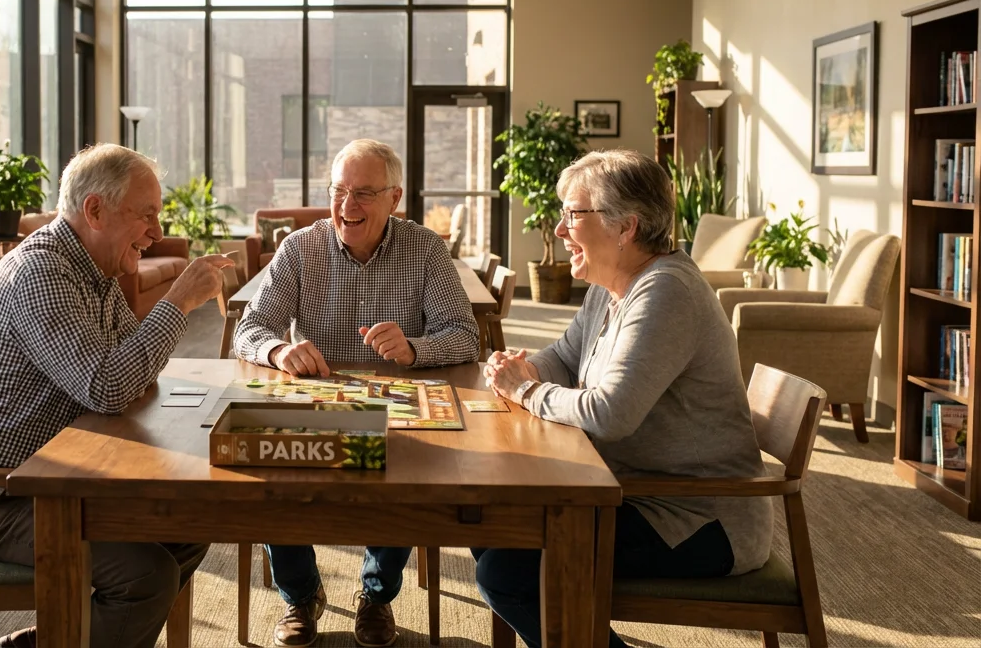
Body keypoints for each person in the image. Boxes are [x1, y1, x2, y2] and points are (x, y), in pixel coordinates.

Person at [0, 144, 234, 648]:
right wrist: (178, 300)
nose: (156, 233)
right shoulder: (42, 274)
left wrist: (144, 348)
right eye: (147, 216)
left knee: (185, 527)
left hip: (49, 478)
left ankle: (57, 639)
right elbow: (109, 387)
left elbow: (127, 370)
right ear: (95, 210)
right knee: (146, 576)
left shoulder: (95, 273)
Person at [474, 149, 771, 648]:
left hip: (695, 518)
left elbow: (609, 414)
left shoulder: (665, 293)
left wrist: (525, 390)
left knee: (508, 571)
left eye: (573, 214)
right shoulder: (612, 285)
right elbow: (566, 358)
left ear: (625, 227)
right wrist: (521, 368)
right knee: (491, 526)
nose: (561, 229)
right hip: (634, 492)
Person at [233, 139, 479, 648]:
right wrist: (279, 350)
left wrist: (415, 348)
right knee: (270, 474)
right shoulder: (299, 248)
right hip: (316, 404)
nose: (348, 206)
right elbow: (249, 331)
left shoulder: (427, 249)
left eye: (364, 193)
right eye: (340, 191)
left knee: (413, 475)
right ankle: (299, 596)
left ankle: (376, 595)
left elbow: (465, 335)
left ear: (396, 198)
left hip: (398, 410)